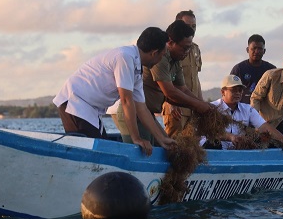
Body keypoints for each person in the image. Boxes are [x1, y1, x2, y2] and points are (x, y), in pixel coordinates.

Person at [52, 27, 176, 156]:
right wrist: (136, 138)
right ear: (154, 53)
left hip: (91, 110)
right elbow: (126, 101)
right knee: (96, 155)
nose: (161, 59)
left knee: (104, 150)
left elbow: (141, 108)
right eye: (162, 55)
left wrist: (162, 140)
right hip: (75, 102)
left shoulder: (136, 69)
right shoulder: (125, 57)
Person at [114, 20, 211, 144]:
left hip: (147, 114)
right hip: (134, 113)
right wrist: (197, 106)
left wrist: (204, 105)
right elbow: (170, 91)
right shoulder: (159, 57)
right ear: (170, 43)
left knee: (166, 145)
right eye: (185, 48)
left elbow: (183, 89)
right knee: (145, 152)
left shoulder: (176, 60)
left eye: (189, 49)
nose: (187, 52)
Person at [201, 75, 283, 149]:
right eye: (233, 90)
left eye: (240, 90)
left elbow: (264, 127)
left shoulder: (248, 109)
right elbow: (208, 132)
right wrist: (230, 137)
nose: (238, 93)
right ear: (223, 92)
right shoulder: (212, 108)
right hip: (214, 150)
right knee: (213, 143)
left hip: (237, 152)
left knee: (267, 142)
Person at [162, 10, 202, 137]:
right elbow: (163, 82)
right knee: (175, 143)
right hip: (175, 107)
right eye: (187, 26)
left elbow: (196, 78)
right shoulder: (169, 49)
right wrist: (168, 103)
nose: (191, 29)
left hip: (193, 106)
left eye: (194, 26)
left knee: (191, 145)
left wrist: (201, 103)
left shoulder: (195, 49)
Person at [230, 34, 276, 105]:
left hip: (264, 112)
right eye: (254, 48)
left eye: (260, 49)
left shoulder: (271, 70)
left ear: (264, 51)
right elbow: (230, 91)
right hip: (243, 110)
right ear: (247, 50)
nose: (256, 51)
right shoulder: (239, 69)